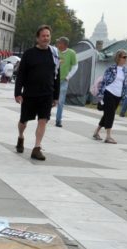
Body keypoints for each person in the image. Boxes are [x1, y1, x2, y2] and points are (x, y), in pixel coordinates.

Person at [14, 25, 59, 161]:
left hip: (47, 94)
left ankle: (36, 148)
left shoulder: (54, 54)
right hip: (30, 94)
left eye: (48, 36)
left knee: (43, 120)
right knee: (24, 121)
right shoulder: (29, 54)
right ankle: (21, 137)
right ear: (37, 38)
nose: (46, 38)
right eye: (43, 36)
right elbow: (21, 75)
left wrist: (56, 96)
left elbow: (57, 75)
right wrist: (17, 92)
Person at [93, 49, 127, 143]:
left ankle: (96, 132)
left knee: (107, 114)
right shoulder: (111, 68)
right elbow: (104, 81)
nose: (126, 59)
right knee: (111, 115)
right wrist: (101, 95)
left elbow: (124, 84)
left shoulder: (125, 70)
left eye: (126, 57)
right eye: (124, 57)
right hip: (109, 93)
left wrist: (123, 95)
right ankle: (108, 136)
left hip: (118, 95)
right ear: (118, 58)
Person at [54, 36, 77, 127]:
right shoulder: (55, 51)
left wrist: (68, 76)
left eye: (59, 42)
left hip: (63, 80)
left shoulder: (71, 53)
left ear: (64, 44)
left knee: (61, 101)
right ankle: (46, 116)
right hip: (54, 79)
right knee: (49, 98)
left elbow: (75, 66)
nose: (57, 44)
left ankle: (58, 120)